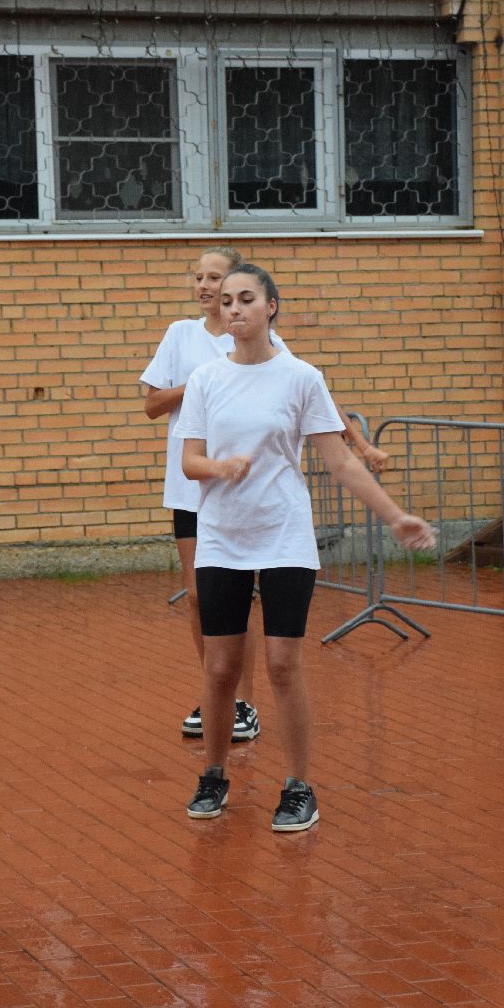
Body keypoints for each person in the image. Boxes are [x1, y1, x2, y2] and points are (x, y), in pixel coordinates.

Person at [177, 263, 436, 831]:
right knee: (220, 668)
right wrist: (219, 467)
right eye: (226, 301)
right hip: (222, 539)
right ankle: (214, 773)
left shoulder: (301, 377)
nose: (235, 308)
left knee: (282, 664)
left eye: (247, 298)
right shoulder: (206, 380)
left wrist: (394, 516)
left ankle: (298, 787)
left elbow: (340, 460)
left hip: (283, 538)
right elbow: (189, 461)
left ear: (272, 306)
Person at [141, 247, 390, 744]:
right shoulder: (183, 337)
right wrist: (202, 386)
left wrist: (359, 443)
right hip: (195, 484)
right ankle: (221, 691)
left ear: (263, 301)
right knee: (198, 601)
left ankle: (244, 704)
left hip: (255, 498)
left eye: (219, 279)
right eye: (201, 279)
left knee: (258, 619)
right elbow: (152, 404)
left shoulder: (268, 343)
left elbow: (314, 396)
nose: (207, 288)